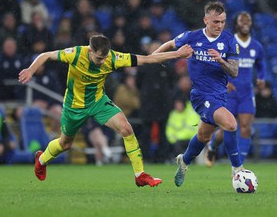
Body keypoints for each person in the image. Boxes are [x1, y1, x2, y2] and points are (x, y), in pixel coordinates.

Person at [18, 34, 193, 187]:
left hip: (98, 102)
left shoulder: (113, 57)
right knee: (66, 144)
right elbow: (45, 55)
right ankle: (41, 160)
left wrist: (178, 54)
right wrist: (31, 70)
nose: (102, 62)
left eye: (104, 58)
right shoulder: (75, 53)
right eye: (99, 58)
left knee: (126, 129)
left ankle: (140, 175)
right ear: (89, 51)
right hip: (74, 106)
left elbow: (147, 59)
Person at [152, 1, 243, 187]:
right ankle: (238, 170)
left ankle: (183, 162)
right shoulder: (192, 37)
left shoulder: (229, 41)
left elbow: (234, 72)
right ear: (206, 20)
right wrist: (153, 58)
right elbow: (169, 44)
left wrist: (221, 61)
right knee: (231, 124)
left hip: (219, 96)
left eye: (223, 22)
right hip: (201, 95)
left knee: (203, 137)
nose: (220, 26)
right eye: (216, 21)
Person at [206, 12, 266, 167]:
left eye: (248, 20)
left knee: (246, 128)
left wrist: (261, 77)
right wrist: (223, 83)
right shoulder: (229, 42)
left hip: (246, 92)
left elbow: (261, 63)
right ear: (237, 24)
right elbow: (214, 63)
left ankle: (239, 166)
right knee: (228, 128)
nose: (245, 23)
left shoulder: (256, 46)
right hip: (230, 93)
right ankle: (212, 145)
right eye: (242, 21)